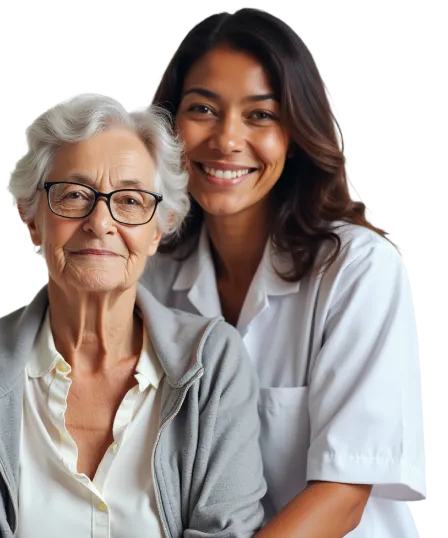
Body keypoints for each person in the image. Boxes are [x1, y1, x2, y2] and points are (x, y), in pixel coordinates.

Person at [0, 91, 267, 537]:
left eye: (132, 201)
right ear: (31, 218)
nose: (100, 222)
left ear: (161, 228)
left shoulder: (213, 363)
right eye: (75, 195)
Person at [142, 7, 427, 538]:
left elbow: (343, 494)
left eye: (260, 115)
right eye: (203, 108)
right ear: (169, 125)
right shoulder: (149, 273)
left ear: (295, 134)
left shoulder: (358, 269)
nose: (227, 140)